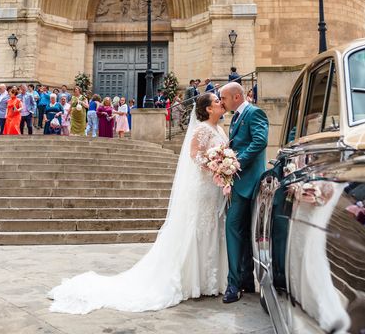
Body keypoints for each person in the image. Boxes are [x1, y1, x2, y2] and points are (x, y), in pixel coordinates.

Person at [48, 92, 229, 313]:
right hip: (204, 187)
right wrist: (216, 165)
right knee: (198, 229)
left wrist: (224, 166)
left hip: (215, 188)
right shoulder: (201, 129)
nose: (221, 103)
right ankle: (193, 280)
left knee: (212, 228)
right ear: (209, 109)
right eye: (217, 101)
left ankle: (211, 279)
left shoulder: (220, 129)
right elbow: (194, 154)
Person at [219, 82, 269, 303]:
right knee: (243, 231)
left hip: (248, 181)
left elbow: (260, 141)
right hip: (239, 182)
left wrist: (236, 163)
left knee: (232, 228)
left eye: (224, 98)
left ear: (237, 97)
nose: (222, 102)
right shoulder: (237, 116)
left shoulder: (254, 112)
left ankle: (233, 284)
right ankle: (246, 280)